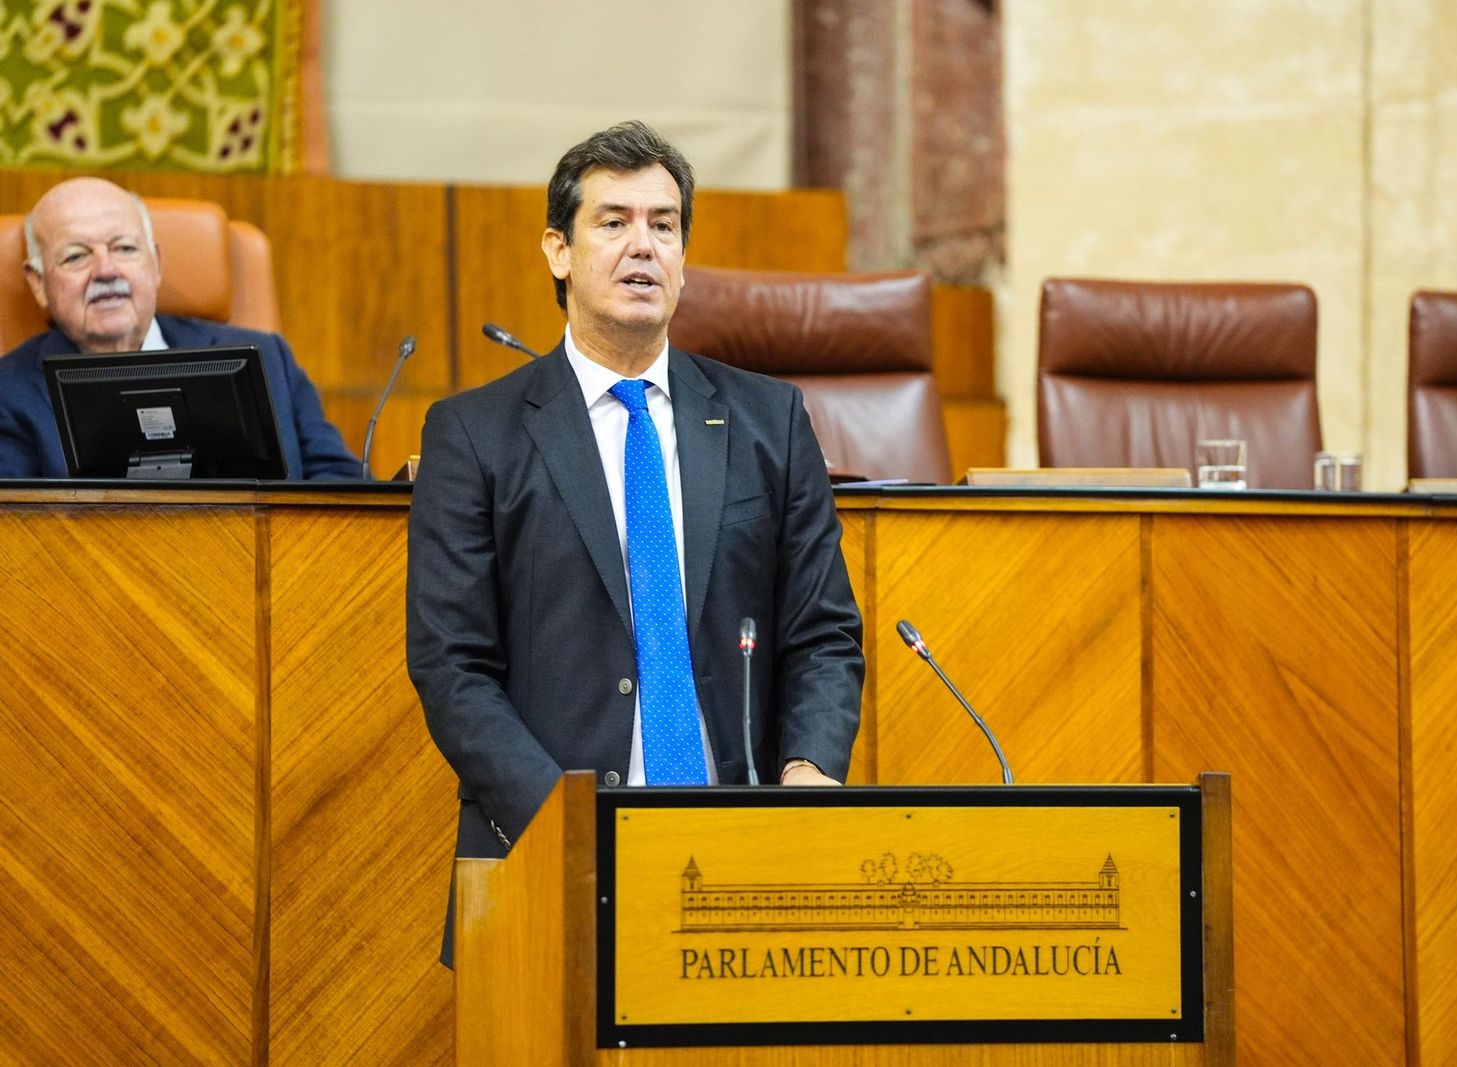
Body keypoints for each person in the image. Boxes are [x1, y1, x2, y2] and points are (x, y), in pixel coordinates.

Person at [407, 121, 864, 961]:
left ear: (685, 256)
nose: (642, 246)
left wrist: (808, 769)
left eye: (664, 224)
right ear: (558, 251)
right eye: (612, 222)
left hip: (741, 855)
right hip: (544, 850)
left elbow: (823, 631)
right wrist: (563, 820)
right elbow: (451, 662)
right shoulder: (474, 434)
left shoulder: (769, 420)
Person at [0, 177, 360, 479]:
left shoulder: (269, 359)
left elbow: (340, 489)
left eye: (124, 248)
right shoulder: (9, 391)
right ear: (37, 282)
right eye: (76, 256)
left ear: (155, 263)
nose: (106, 271)